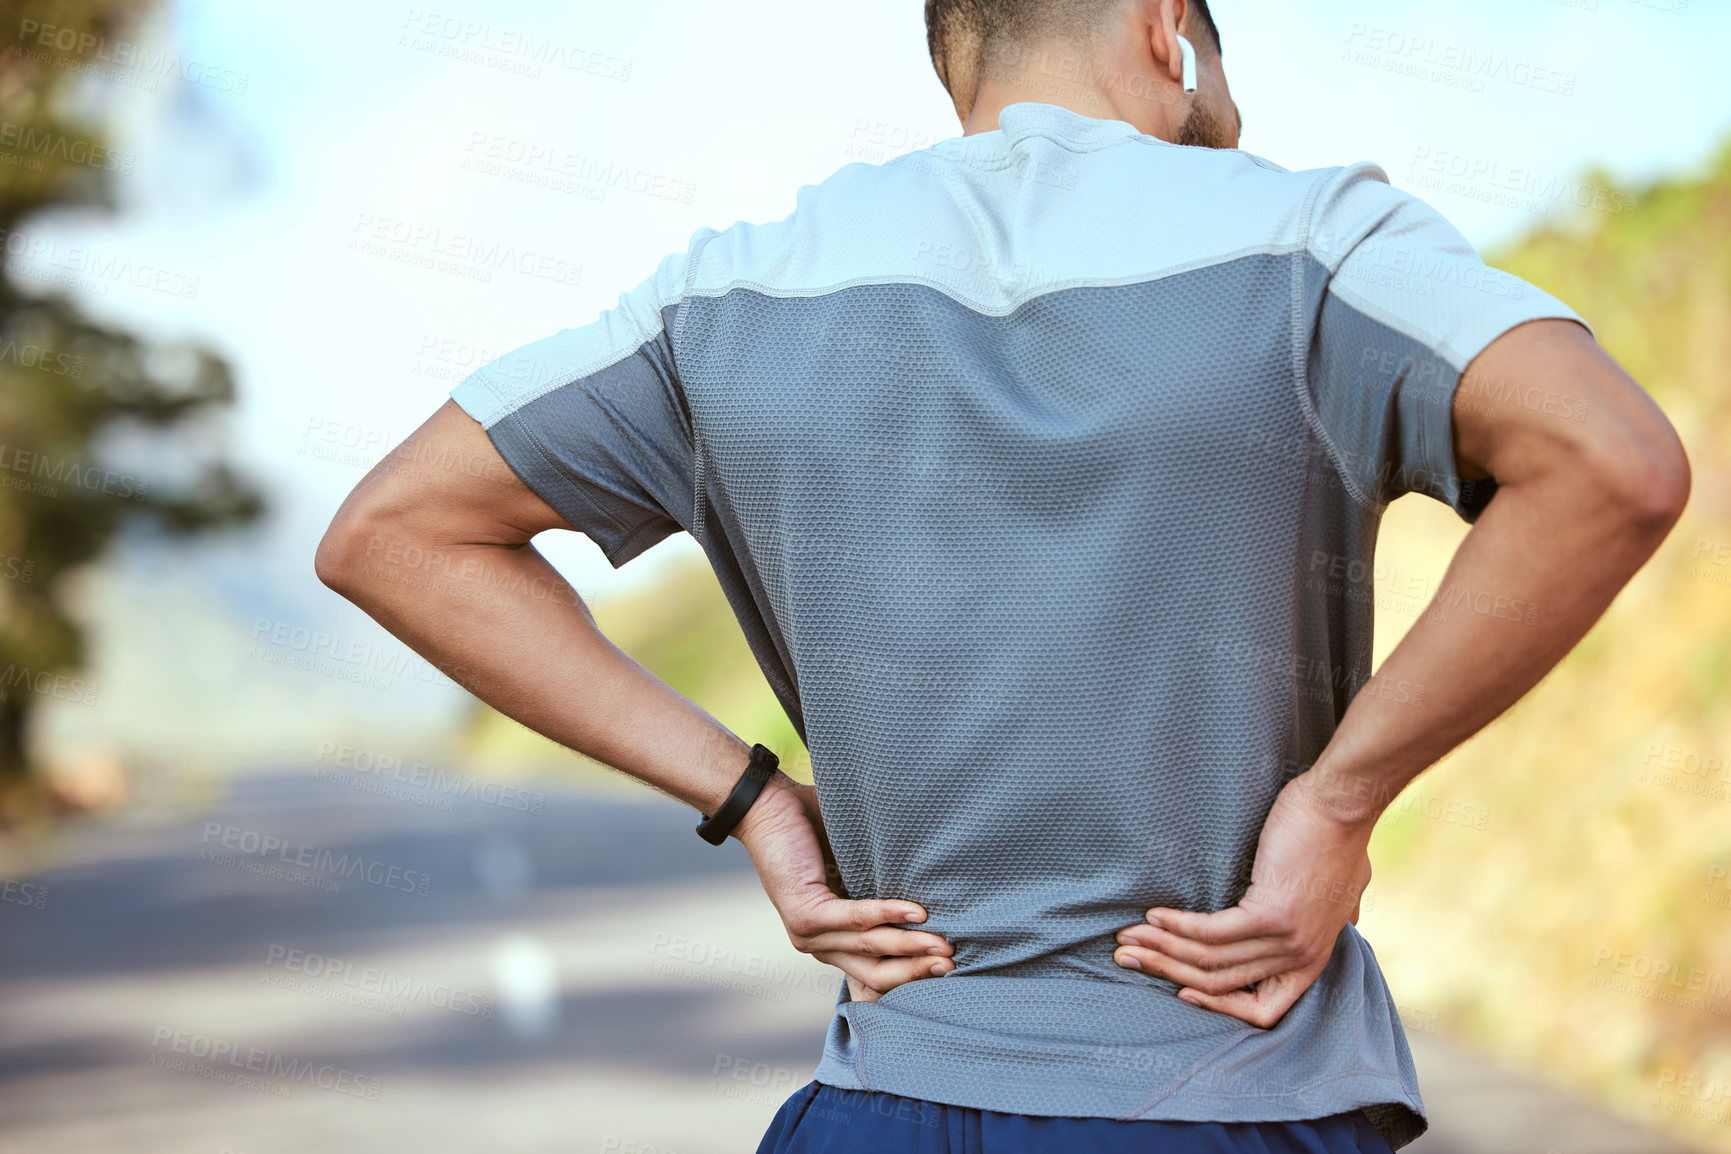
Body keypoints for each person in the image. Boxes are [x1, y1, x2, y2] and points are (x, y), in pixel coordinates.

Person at [314, 0, 1691, 1150]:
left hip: (884, 1102)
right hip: (1222, 1093)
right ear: (1170, 31)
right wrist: (1342, 799)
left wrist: (751, 803)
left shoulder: (729, 291)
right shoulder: (1312, 237)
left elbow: (391, 532)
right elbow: (1611, 461)